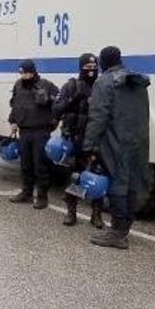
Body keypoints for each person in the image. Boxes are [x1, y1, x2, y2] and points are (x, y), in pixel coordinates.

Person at [85, 46, 150, 249]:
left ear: (104, 61)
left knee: (117, 185)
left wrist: (89, 145)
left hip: (116, 141)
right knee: (132, 184)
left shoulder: (104, 82)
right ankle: (125, 227)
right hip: (138, 140)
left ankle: (117, 233)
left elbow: (98, 116)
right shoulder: (137, 81)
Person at [52, 53, 104, 228]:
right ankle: (71, 212)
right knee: (74, 177)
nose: (91, 71)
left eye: (94, 67)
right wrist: (74, 99)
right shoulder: (70, 86)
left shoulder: (101, 87)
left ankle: (96, 214)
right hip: (74, 140)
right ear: (81, 68)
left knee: (97, 178)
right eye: (87, 68)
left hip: (96, 141)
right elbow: (56, 110)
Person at [8, 59, 59, 209]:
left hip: (40, 130)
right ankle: (27, 193)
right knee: (25, 164)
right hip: (24, 130)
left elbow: (58, 104)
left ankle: (42, 197)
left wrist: (47, 100)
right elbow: (15, 105)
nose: (24, 76)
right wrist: (13, 121)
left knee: (41, 165)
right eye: (21, 72)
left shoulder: (46, 85)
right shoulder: (18, 85)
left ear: (33, 71)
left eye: (26, 72)